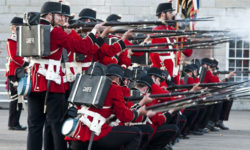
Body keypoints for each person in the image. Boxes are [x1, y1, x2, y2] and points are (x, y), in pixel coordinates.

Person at [27, 2, 103, 150]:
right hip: (52, 84)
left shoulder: (32, 29)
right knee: (57, 125)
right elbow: (81, 47)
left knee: (34, 126)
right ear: (50, 15)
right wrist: (94, 32)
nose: (62, 18)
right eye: (59, 15)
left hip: (34, 82)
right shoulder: (55, 31)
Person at [70, 64, 151, 150]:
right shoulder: (114, 88)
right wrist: (138, 112)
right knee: (137, 132)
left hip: (77, 133)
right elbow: (125, 116)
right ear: (117, 79)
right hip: (96, 134)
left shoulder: (84, 85)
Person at [150, 2, 193, 85]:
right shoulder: (158, 31)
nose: (172, 15)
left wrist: (186, 39)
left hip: (174, 73)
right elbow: (154, 56)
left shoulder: (172, 30)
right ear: (163, 14)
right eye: (170, 13)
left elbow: (188, 52)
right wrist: (162, 74)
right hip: (163, 75)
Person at [6, 17, 28, 131]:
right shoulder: (12, 39)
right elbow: (14, 57)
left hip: (20, 71)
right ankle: (13, 123)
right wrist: (25, 63)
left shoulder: (20, 39)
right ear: (14, 27)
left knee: (19, 99)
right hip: (14, 72)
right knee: (15, 98)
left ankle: (16, 123)